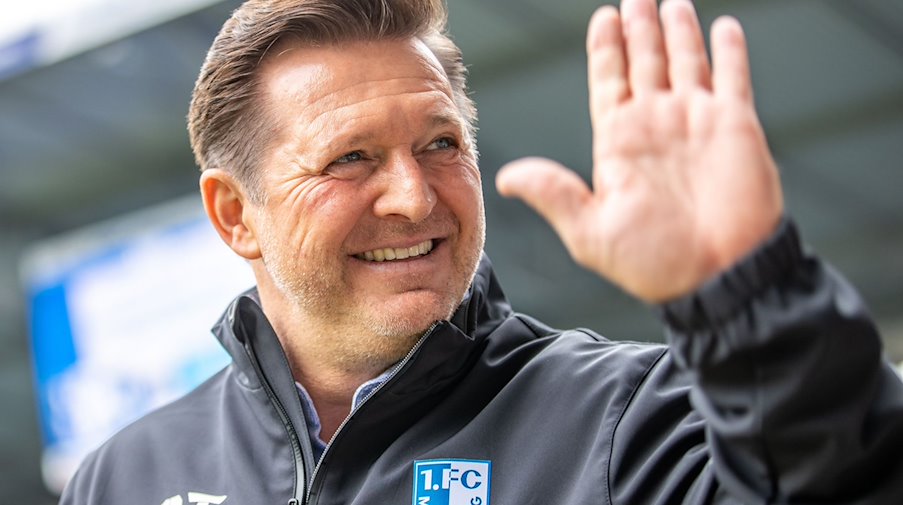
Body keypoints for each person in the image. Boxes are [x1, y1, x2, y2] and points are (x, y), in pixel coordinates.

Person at [60, 0, 903, 503]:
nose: (415, 197)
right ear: (235, 214)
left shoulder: (628, 422)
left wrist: (746, 291)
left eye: (439, 144)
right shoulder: (127, 476)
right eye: (351, 157)